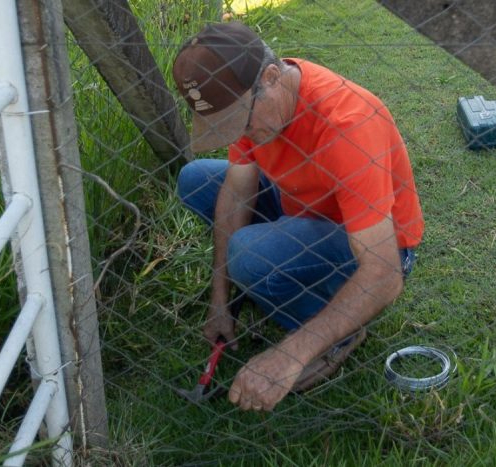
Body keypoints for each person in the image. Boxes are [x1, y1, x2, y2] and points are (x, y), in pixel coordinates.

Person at [172, 22, 423, 412]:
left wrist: (290, 355)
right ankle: (271, 272)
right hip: (302, 205)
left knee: (249, 254)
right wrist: (219, 299)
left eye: (241, 122)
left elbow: (385, 274)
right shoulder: (250, 97)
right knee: (195, 179)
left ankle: (337, 334)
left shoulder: (348, 125)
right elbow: (237, 190)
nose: (240, 134)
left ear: (271, 78)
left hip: (375, 247)